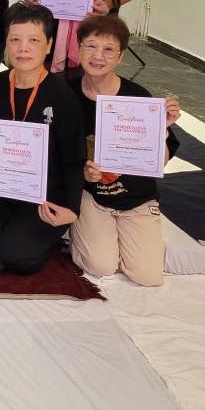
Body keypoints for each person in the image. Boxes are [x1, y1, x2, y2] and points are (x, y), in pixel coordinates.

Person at [0, 4, 85, 274]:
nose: (23, 49)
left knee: (17, 258)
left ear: (49, 45)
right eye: (15, 40)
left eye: (33, 41)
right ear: (6, 43)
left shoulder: (62, 96)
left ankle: (38, 235)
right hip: (0, 189)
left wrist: (71, 209)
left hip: (43, 195)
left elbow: (74, 159)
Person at [67, 15, 181, 286]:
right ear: (78, 50)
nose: (98, 56)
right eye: (90, 46)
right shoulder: (66, 95)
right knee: (101, 266)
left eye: (108, 49)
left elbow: (160, 162)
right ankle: (84, 227)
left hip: (136, 198)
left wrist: (161, 129)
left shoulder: (138, 97)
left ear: (120, 57)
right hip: (91, 195)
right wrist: (82, 172)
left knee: (147, 276)